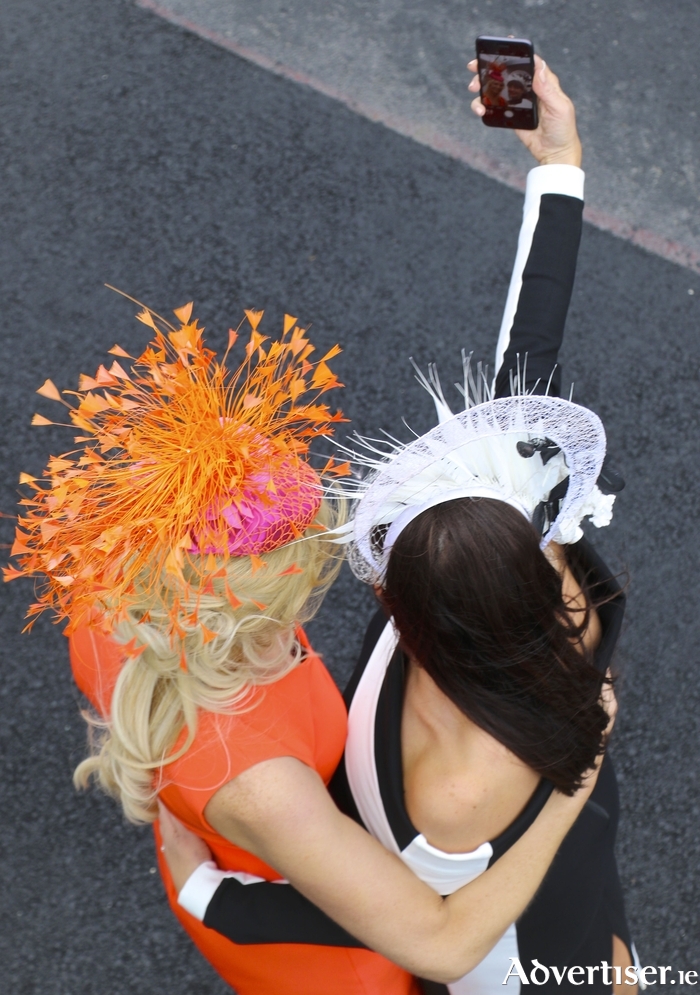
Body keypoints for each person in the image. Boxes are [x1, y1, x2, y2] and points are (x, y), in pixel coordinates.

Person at [159, 58, 637, 994]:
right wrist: (561, 162)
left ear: (403, 592)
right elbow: (525, 354)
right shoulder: (535, 580)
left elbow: (399, 907)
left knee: (595, 959)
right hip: (560, 895)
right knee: (610, 959)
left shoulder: (454, 764)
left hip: (517, 962)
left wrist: (219, 900)